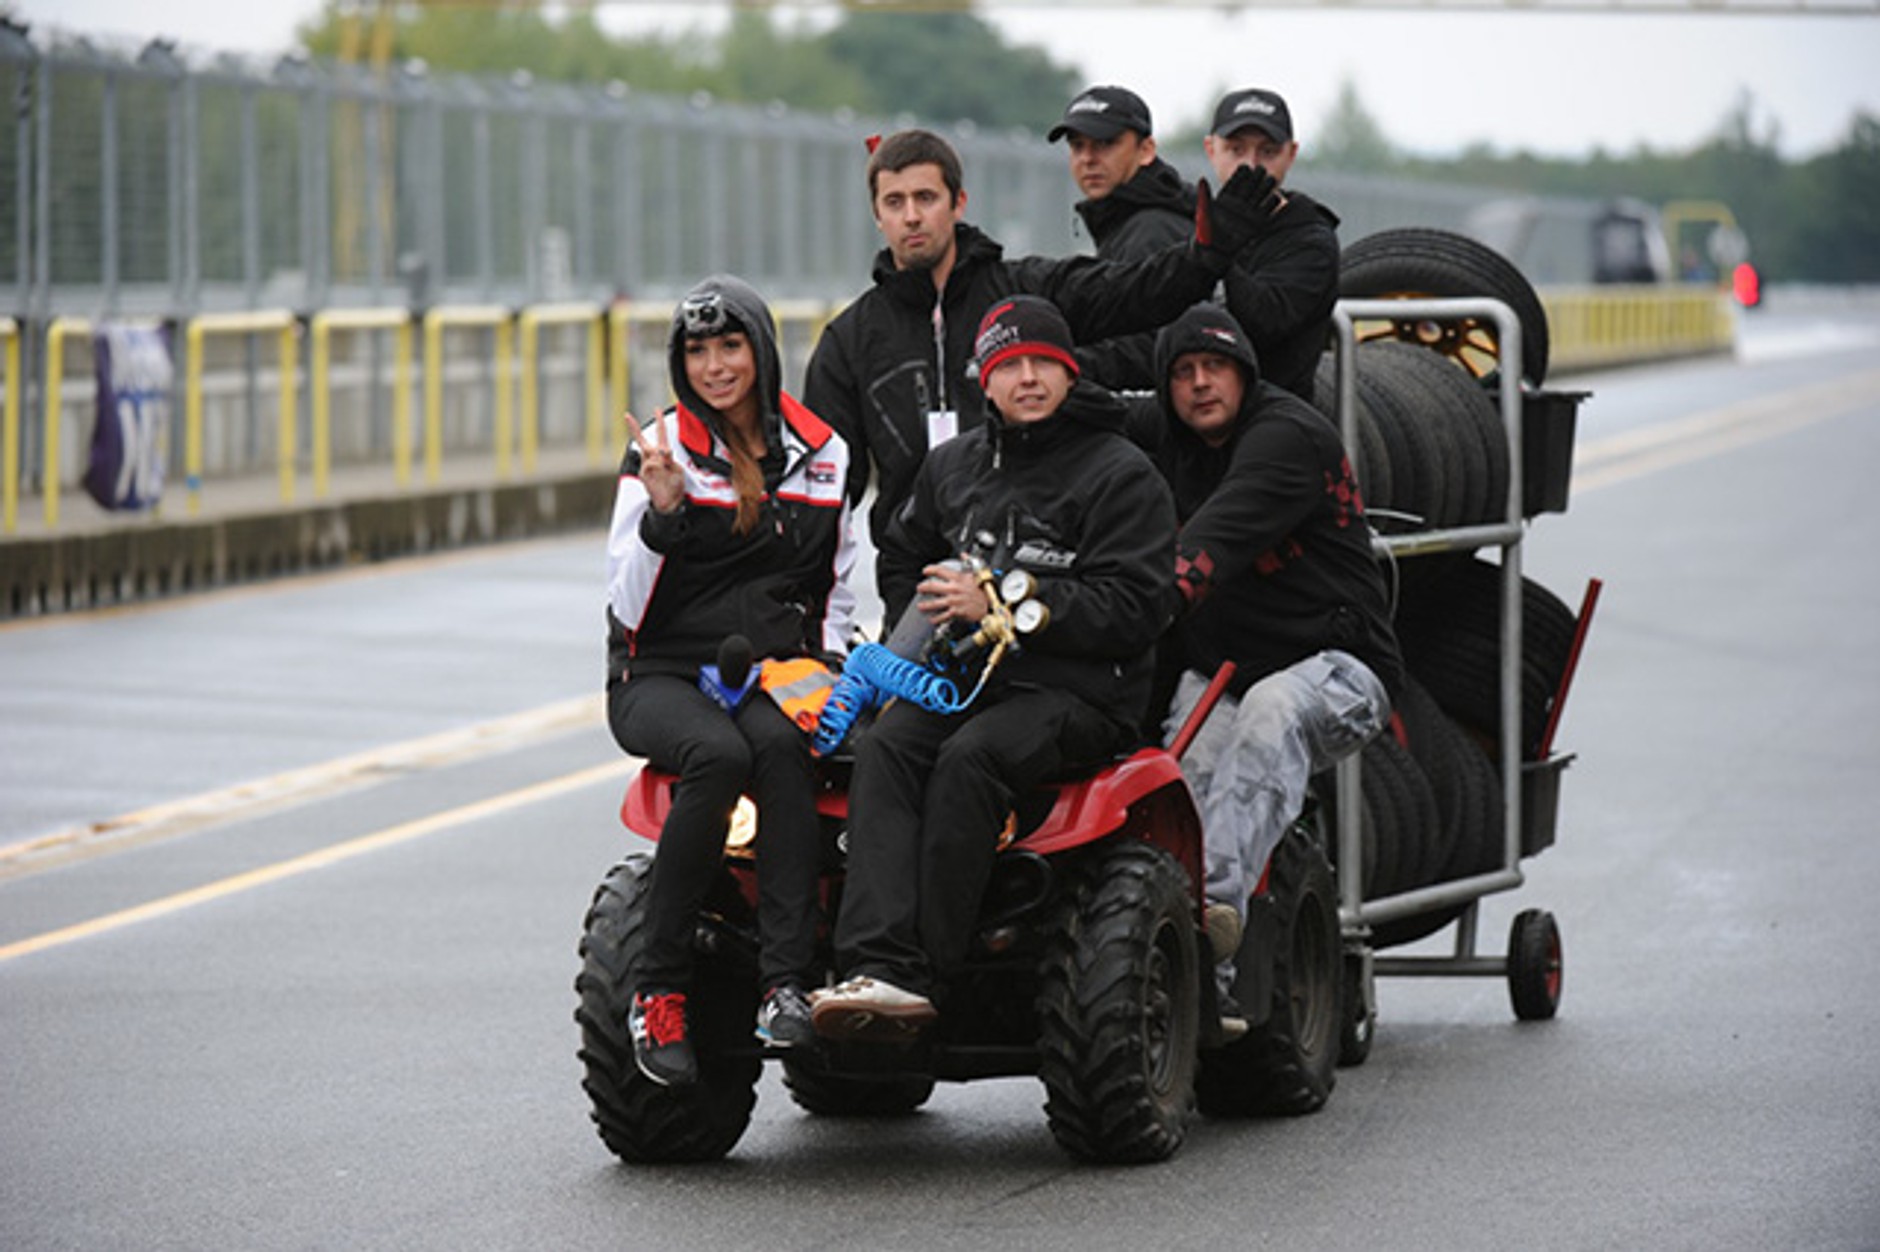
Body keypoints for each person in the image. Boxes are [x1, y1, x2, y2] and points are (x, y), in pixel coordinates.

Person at [808, 296, 1177, 1039]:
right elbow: (905, 547)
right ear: (986, 380)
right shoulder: (953, 465)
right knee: (885, 745)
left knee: (972, 760)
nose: (1029, 378)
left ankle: (925, 972)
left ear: (1071, 374)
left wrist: (1011, 604)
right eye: (1011, 366)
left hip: (1081, 691)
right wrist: (927, 610)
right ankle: (873, 966)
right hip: (963, 681)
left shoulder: (1122, 473)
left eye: (1044, 363)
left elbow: (1137, 608)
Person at [803, 126, 1276, 571]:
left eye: (926, 197)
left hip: (1045, 566)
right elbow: (825, 492)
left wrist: (1205, 257)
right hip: (917, 577)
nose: (911, 216)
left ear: (958, 203)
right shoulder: (849, 340)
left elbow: (1134, 292)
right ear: (877, 215)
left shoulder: (1028, 291)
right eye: (895, 201)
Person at [604, 274, 858, 1086]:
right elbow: (625, 608)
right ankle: (658, 992)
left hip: (777, 672)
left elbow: (844, 587)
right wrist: (665, 516)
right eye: (698, 352)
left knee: (787, 755)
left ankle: (785, 985)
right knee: (718, 758)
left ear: (762, 349)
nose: (715, 365)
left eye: (730, 345)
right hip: (663, 673)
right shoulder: (659, 447)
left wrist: (830, 674)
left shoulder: (825, 450)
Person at [1129, 302, 1402, 1032]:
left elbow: (1209, 544)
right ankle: (1160, 966)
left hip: (1340, 670)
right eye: (1182, 372)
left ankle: (1207, 945)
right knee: (1169, 778)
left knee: (1271, 712)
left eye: (1214, 367)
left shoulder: (1287, 436)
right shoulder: (1169, 432)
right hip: (1225, 673)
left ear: (1244, 374)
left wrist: (1125, 610)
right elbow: (1090, 413)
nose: (1199, 385)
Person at [1079, 87, 1339, 403]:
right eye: (1235, 149)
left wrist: (1218, 254)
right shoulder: (1199, 225)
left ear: (1292, 153)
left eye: (1268, 151)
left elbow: (1265, 324)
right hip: (1194, 416)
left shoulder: (1310, 240)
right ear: (1211, 149)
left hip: (1272, 413)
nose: (1251, 165)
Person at [1047, 84, 1193, 263]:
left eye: (1104, 143)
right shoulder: (1125, 223)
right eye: (1077, 146)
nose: (1087, 158)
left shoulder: (1152, 234)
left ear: (1146, 150)